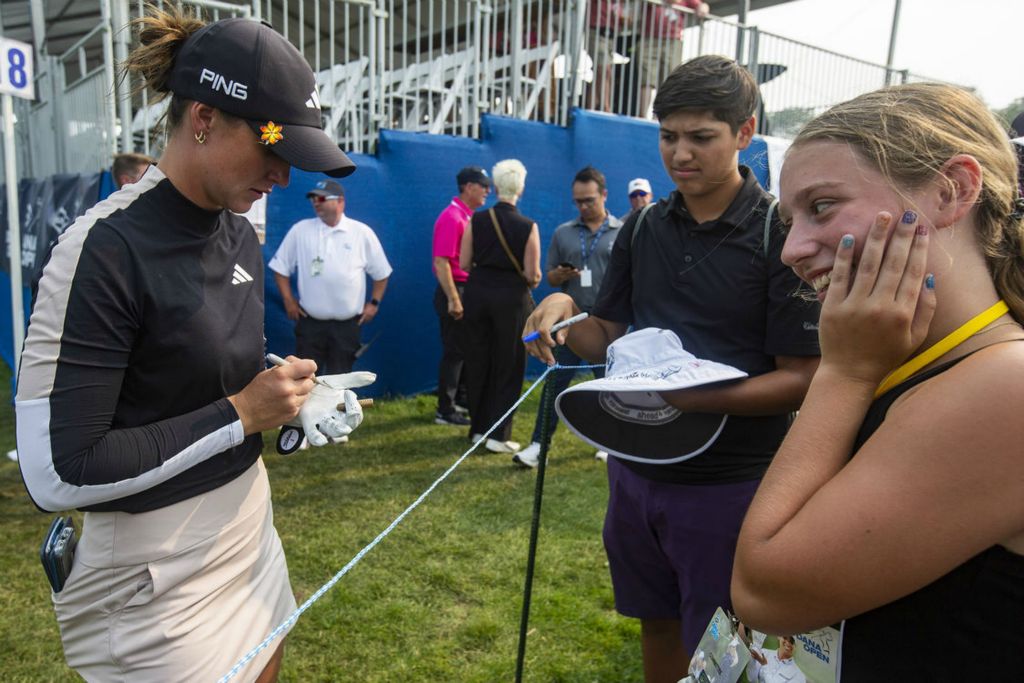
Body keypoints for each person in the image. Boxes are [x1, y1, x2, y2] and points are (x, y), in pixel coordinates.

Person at [15, 9, 359, 682]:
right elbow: (56, 469)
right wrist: (240, 412)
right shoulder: (103, 249)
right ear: (203, 118)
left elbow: (189, 366)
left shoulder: (239, 231)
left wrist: (287, 395)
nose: (283, 177)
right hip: (153, 573)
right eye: (273, 150)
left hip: (247, 523)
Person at [523, 55, 820, 683]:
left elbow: (805, 378)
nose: (680, 154)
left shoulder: (780, 233)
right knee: (654, 621)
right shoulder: (642, 227)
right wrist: (564, 313)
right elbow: (607, 336)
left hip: (729, 484)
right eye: (668, 136)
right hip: (634, 471)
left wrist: (697, 399)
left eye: (701, 137)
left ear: (745, 132)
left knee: (725, 650)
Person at [730, 84, 1024, 680]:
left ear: (952, 191)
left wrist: (843, 371)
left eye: (822, 206)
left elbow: (765, 592)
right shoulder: (919, 365)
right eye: (788, 221)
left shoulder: (1006, 385)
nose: (791, 250)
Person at [512, 165, 621, 468]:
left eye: (589, 200)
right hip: (568, 326)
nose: (584, 207)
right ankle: (537, 446)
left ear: (604, 195)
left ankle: (611, 444)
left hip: (608, 324)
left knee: (611, 389)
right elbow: (549, 278)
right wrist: (558, 275)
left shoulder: (621, 232)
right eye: (578, 201)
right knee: (554, 385)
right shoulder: (563, 232)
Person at [269, 179, 392, 378]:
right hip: (310, 324)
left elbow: (381, 272)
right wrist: (288, 300)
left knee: (341, 379)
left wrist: (375, 303)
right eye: (313, 199)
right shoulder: (301, 230)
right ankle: (304, 411)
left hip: (347, 326)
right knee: (306, 379)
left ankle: (338, 410)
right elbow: (280, 268)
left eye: (321, 198)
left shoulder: (361, 233)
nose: (315, 202)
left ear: (340, 202)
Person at [461, 159, 541, 453]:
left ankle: (477, 428)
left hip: (478, 292)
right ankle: (499, 434)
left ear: (494, 187)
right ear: (520, 188)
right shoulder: (528, 226)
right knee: (509, 363)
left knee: (478, 358)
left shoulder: (476, 220)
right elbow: (533, 274)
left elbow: (464, 262)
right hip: (512, 298)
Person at [431, 166, 492, 427]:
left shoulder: (467, 216)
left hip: (466, 289)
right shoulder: (452, 217)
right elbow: (441, 262)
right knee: (455, 352)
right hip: (454, 288)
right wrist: (454, 298)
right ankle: (445, 409)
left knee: (466, 349)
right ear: (469, 187)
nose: (488, 190)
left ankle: (461, 400)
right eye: (483, 185)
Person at [635, 0, 708, 118]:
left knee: (668, 80)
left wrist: (702, 7)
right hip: (649, 38)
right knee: (647, 78)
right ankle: (643, 115)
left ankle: (659, 116)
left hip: (673, 40)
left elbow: (701, 6)